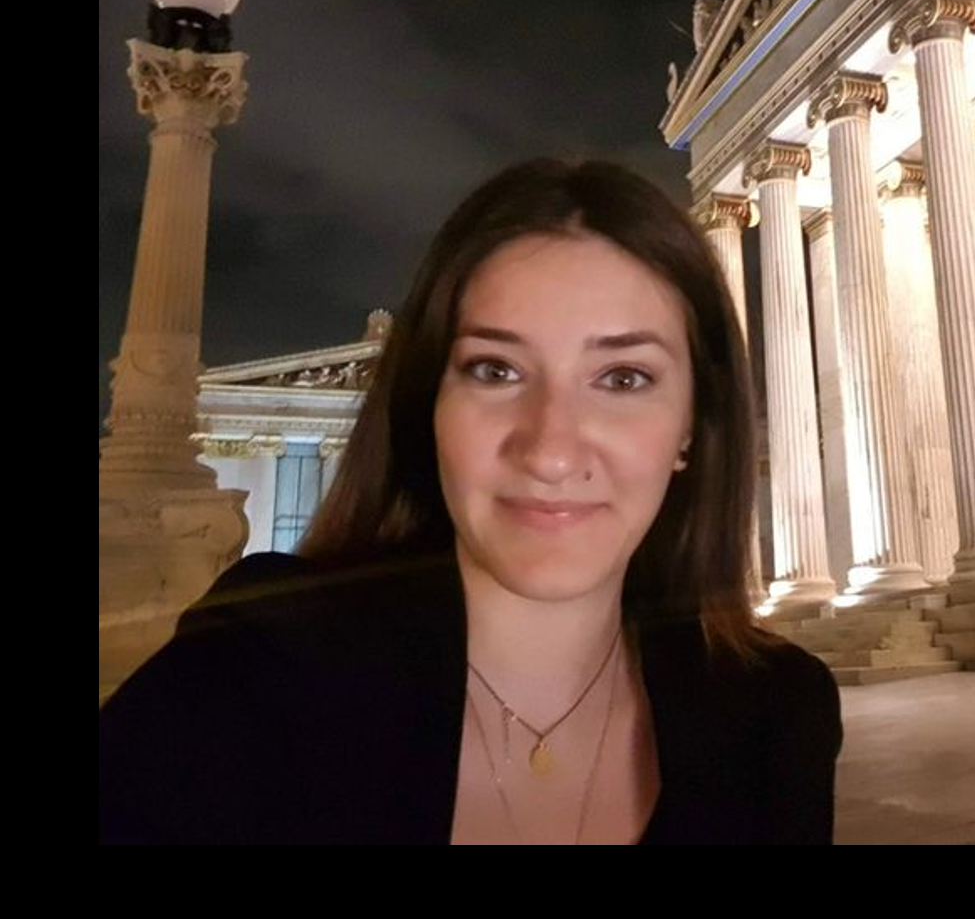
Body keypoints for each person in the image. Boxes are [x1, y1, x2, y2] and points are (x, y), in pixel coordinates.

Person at [99, 158, 842, 845]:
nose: (551, 450)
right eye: (495, 370)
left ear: (692, 427)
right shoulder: (246, 679)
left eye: (623, 379)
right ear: (428, 406)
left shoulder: (778, 715)